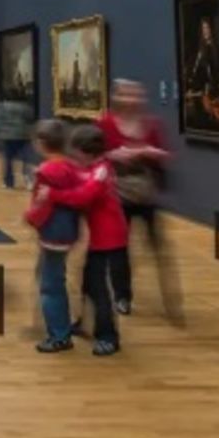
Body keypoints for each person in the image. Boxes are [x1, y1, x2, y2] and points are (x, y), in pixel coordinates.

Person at [97, 78, 183, 323]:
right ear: (117, 97)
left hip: (145, 193)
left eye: (136, 94)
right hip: (117, 193)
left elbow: (164, 154)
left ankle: (171, 300)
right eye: (126, 94)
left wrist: (151, 153)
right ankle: (122, 296)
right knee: (119, 249)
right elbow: (92, 155)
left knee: (159, 246)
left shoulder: (151, 125)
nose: (132, 99)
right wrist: (114, 155)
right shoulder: (106, 124)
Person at [22, 119, 86, 353]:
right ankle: (62, 326)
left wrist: (30, 217)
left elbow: (42, 204)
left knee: (50, 285)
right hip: (68, 230)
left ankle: (59, 335)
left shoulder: (48, 170)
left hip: (53, 232)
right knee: (54, 277)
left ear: (42, 143)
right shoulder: (71, 166)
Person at [64, 124, 125, 356]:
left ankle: (108, 336)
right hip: (99, 238)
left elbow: (84, 196)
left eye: (76, 154)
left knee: (99, 289)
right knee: (88, 283)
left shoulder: (101, 171)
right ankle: (85, 322)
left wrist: (56, 193)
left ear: (87, 153)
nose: (74, 159)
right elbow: (79, 175)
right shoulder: (97, 167)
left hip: (108, 239)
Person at [0, 95, 35, 189]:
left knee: (8, 159)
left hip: (7, 135)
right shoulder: (25, 106)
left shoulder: (2, 106)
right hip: (23, 135)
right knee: (26, 159)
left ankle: (8, 182)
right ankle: (29, 180)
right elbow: (30, 118)